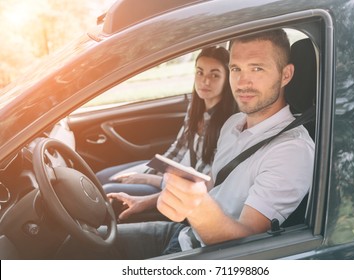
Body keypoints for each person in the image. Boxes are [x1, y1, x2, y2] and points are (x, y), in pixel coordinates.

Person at [61, 29, 314, 259]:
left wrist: (197, 209)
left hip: (206, 254)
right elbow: (215, 184)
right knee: (78, 244)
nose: (242, 82)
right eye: (236, 69)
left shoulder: (292, 151)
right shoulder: (234, 123)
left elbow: (246, 244)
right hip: (184, 233)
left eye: (257, 69)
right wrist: (147, 202)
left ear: (286, 74)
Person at [97, 46, 237, 219]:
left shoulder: (229, 124)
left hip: (181, 187)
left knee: (107, 191)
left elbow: (199, 182)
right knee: (101, 177)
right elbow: (177, 149)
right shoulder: (196, 108)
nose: (205, 81)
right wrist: (150, 170)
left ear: (227, 80)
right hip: (173, 174)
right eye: (200, 73)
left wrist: (147, 179)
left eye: (214, 75)